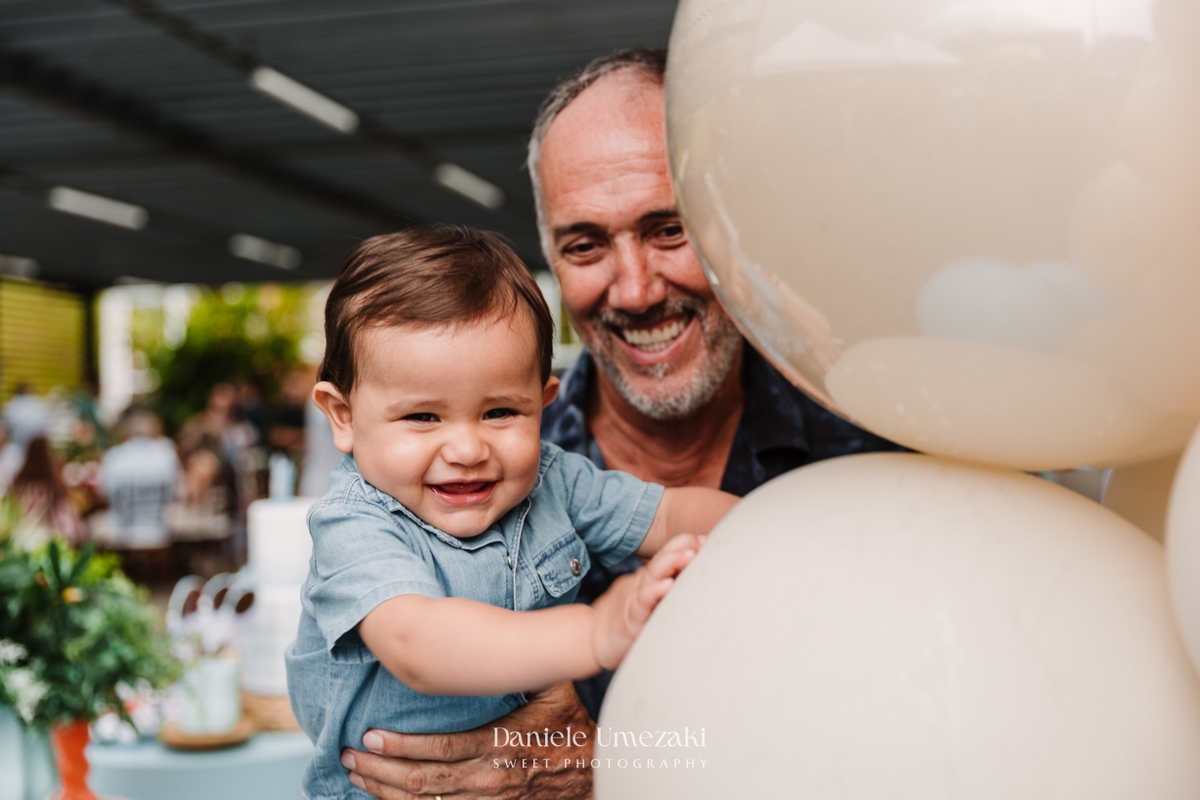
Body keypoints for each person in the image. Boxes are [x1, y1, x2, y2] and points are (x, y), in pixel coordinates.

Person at [342, 48, 903, 800]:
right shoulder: (437, 488)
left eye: (669, 228)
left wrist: (609, 762)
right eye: (586, 245)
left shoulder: (872, 454)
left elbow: (909, 732)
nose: (635, 291)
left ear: (737, 228)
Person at [285, 227, 735, 800]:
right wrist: (595, 631)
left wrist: (770, 529)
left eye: (500, 412)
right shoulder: (355, 523)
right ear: (342, 416)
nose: (468, 450)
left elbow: (671, 513)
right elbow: (419, 641)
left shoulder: (554, 479)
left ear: (542, 406)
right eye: (423, 417)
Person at [97, 408, 179, 549]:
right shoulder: (166, 455)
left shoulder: (114, 457)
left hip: (122, 533)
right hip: (159, 531)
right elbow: (176, 495)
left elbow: (103, 495)